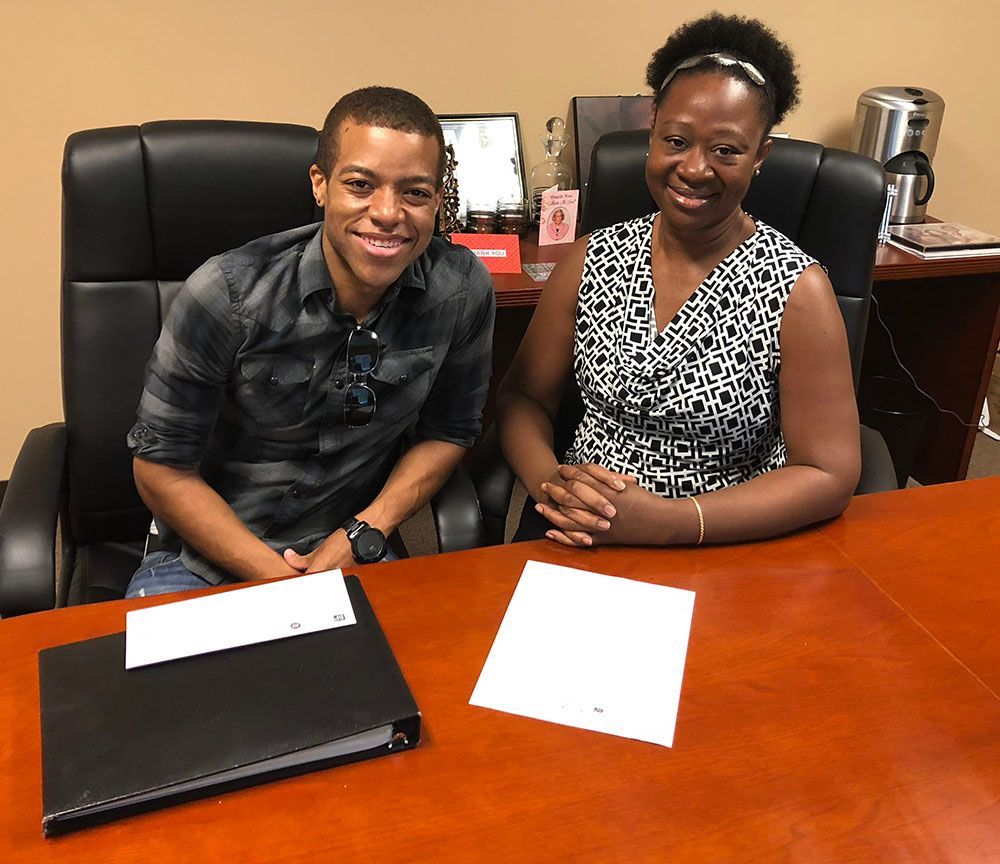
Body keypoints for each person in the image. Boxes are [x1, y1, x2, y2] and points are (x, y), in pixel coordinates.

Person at [496, 13, 860, 548]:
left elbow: (829, 475)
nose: (694, 168)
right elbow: (522, 396)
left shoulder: (797, 290)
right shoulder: (590, 259)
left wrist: (673, 521)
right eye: (676, 140)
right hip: (576, 527)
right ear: (652, 134)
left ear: (761, 156)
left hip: (722, 542)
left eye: (726, 150)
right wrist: (550, 485)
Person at [125, 86, 495, 598]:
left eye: (415, 192)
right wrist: (285, 584)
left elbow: (450, 432)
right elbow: (160, 468)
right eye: (361, 184)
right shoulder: (226, 294)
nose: (388, 213)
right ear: (320, 185)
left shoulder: (459, 291)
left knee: (412, 673)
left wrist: (366, 530)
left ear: (437, 198)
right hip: (200, 556)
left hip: (347, 550)